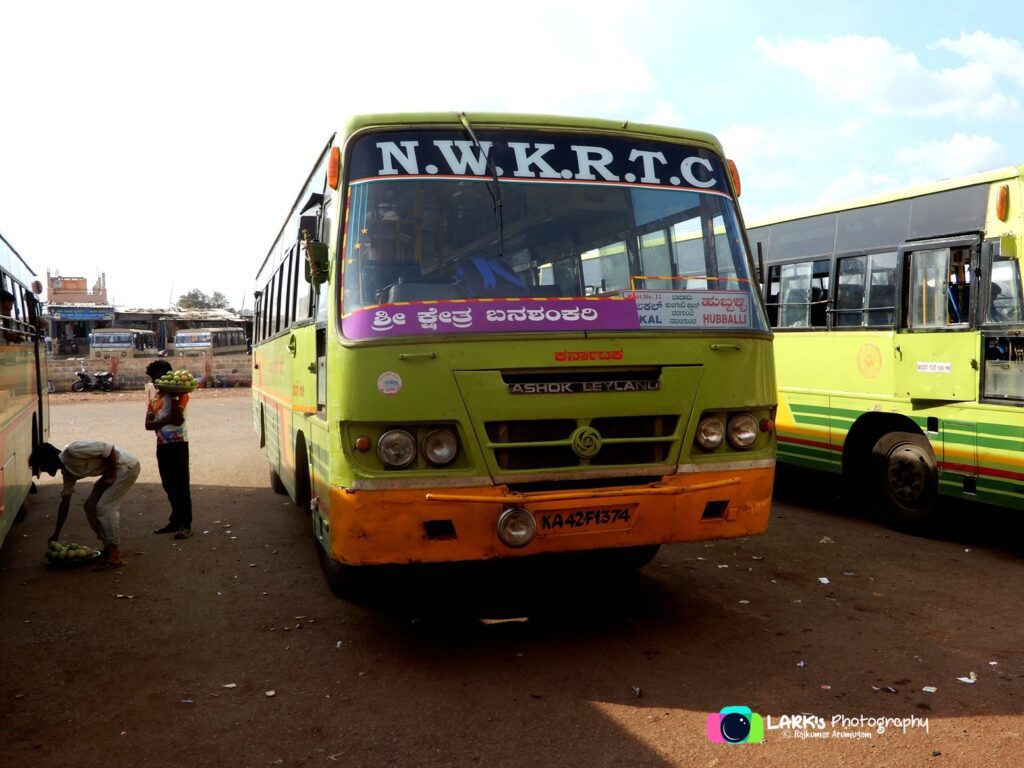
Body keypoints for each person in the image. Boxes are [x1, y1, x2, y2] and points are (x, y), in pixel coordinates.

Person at [29, 441, 141, 570]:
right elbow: (65, 504)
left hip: (127, 468)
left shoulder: (73, 450)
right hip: (113, 471)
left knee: (105, 507)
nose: (43, 471)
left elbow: (109, 450)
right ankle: (108, 546)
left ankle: (114, 554)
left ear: (47, 459)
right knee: (90, 506)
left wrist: (110, 475)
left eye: (42, 466)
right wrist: (56, 533)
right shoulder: (68, 473)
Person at [146, 360, 193, 539]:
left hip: (179, 444)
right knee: (169, 485)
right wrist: (164, 422)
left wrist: (172, 397)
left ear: (166, 376)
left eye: (157, 377)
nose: (156, 382)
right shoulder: (155, 398)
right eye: (153, 379)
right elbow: (148, 424)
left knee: (181, 485)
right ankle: (175, 521)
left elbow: (178, 420)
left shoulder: (180, 395)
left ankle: (185, 525)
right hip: (162, 445)